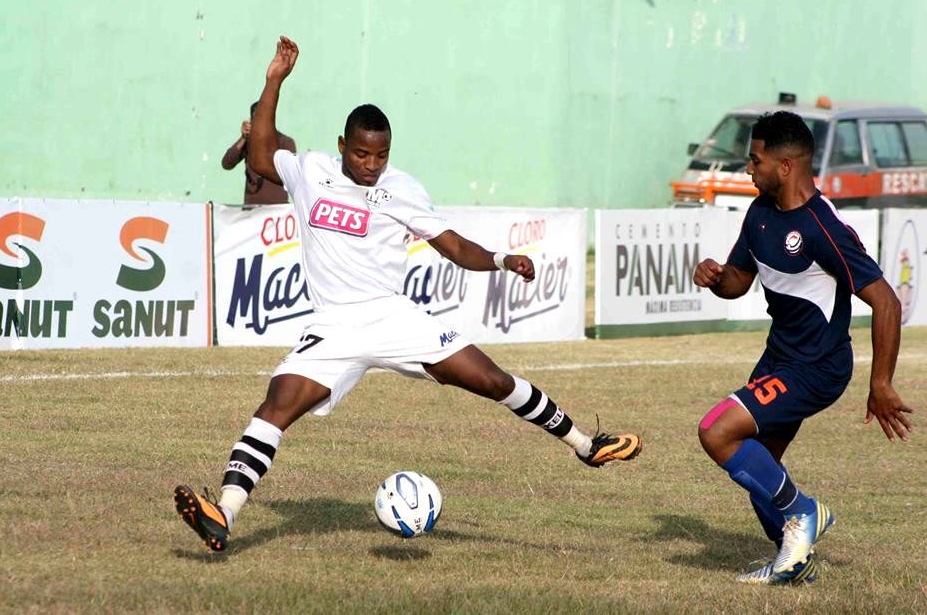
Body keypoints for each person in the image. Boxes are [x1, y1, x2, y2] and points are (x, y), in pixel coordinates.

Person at [174, 35, 643, 552]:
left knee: (490, 379)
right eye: (361, 153)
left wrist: (502, 259)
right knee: (277, 406)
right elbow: (261, 155)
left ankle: (584, 445)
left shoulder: (402, 188)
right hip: (334, 327)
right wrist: (274, 81)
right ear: (341, 145)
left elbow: (454, 246)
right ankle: (226, 512)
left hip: (394, 319)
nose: (371, 164)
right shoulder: (311, 170)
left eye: (380, 154)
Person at [692, 111, 914, 585]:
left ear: (786, 165)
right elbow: (738, 283)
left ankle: (806, 512)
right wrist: (716, 278)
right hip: (779, 358)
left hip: (817, 367)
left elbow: (886, 302)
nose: (748, 169)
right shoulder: (759, 213)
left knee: (716, 431)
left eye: (755, 160)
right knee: (758, 464)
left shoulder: (821, 227)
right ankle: (792, 562)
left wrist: (881, 383)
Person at [221, 101, 297, 205]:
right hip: (252, 209)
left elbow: (290, 174)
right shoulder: (249, 142)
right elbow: (227, 164)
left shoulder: (285, 142)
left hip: (278, 210)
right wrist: (243, 138)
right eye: (257, 119)